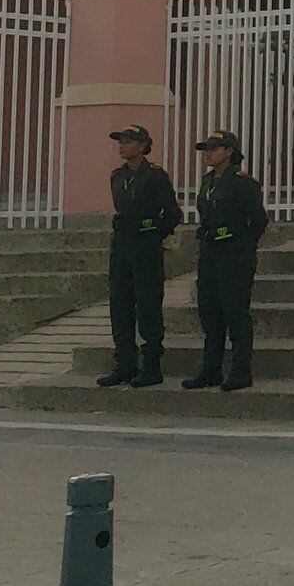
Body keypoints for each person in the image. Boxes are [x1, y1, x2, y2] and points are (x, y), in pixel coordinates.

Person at [181, 129, 269, 393]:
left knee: (235, 313)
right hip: (210, 252)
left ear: (229, 151)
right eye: (206, 149)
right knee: (210, 312)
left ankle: (241, 372)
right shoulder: (208, 182)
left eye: (214, 148)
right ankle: (211, 370)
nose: (208, 153)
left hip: (234, 254)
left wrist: (241, 245)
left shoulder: (242, 183)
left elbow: (258, 220)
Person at [96, 124, 182, 388]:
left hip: (145, 246)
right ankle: (125, 362)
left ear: (143, 146)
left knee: (147, 305)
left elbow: (172, 215)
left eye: (129, 141)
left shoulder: (154, 176)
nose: (123, 146)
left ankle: (151, 364)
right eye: (121, 141)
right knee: (120, 304)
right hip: (122, 247)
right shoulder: (117, 176)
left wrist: (150, 231)